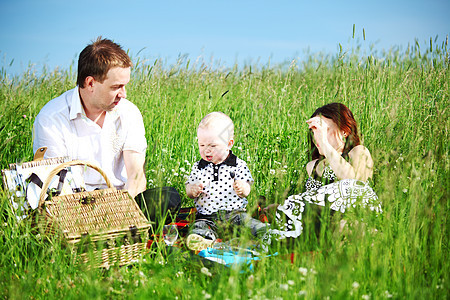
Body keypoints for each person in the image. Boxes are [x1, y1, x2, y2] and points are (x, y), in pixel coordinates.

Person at [33, 37, 146, 198]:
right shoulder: (51, 119)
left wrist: (123, 209)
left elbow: (136, 177)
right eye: (116, 87)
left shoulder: (129, 112)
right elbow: (57, 185)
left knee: (167, 198)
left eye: (124, 85)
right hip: (74, 206)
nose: (124, 94)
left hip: (123, 200)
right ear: (90, 83)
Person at [263, 102, 381, 244]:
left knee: (345, 224)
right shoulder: (312, 166)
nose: (316, 137)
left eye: (323, 130)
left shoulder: (358, 152)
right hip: (321, 225)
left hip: (353, 220)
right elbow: (310, 205)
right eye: (314, 132)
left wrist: (325, 143)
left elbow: (357, 184)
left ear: (345, 131)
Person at [185, 112, 267, 251]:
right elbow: (189, 189)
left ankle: (265, 235)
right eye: (202, 145)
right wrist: (192, 190)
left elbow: (247, 187)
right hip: (207, 216)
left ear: (229, 144)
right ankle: (205, 240)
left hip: (235, 214)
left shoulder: (238, 164)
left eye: (212, 146)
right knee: (199, 227)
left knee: (250, 224)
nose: (206, 150)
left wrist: (243, 188)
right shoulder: (198, 167)